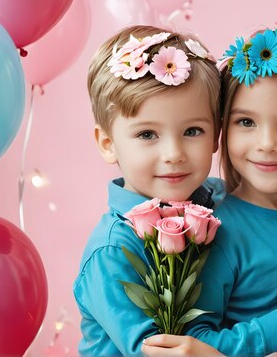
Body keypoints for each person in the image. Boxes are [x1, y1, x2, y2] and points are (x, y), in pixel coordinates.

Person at [143, 27, 277, 356]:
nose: (267, 144)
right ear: (221, 130)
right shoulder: (216, 232)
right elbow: (192, 344)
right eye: (246, 122)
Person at [73, 25, 223, 355]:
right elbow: (163, 351)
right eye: (147, 135)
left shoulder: (220, 201)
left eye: (193, 130)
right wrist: (275, 331)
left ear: (216, 135)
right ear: (108, 143)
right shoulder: (112, 252)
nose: (174, 153)